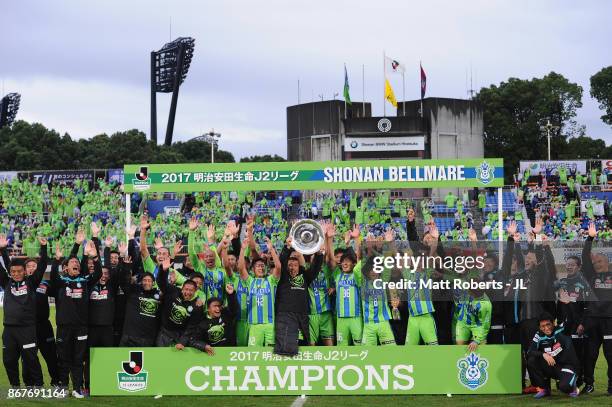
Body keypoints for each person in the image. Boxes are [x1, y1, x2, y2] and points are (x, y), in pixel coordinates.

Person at [51, 239, 102, 398]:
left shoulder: (85, 281)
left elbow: (98, 273)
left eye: (77, 262)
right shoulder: (61, 281)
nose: (76, 264)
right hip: (64, 327)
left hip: (81, 327)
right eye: (72, 262)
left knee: (78, 359)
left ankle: (77, 388)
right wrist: (57, 259)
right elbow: (53, 275)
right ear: (65, 268)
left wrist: (94, 257)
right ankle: (63, 387)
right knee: (63, 358)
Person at [0, 234, 46, 389]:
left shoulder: (31, 283)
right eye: (13, 272)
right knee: (8, 360)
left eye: (19, 271)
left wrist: (44, 248)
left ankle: (38, 385)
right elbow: (4, 266)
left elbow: (43, 265)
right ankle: (15, 385)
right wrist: (2, 249)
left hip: (27, 329)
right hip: (9, 329)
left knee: (30, 359)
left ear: (25, 272)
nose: (16, 274)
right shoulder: (7, 283)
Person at [274, 230, 324, 356]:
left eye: (295, 265)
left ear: (299, 266)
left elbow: (315, 268)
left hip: (302, 316)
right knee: (285, 348)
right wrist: (287, 247)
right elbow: (281, 261)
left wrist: (319, 254)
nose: (292, 267)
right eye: (290, 265)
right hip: (285, 315)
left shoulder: (305, 276)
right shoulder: (283, 277)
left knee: (302, 346)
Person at [581, 222, 612, 395]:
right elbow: (585, 257)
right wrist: (590, 238)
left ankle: (611, 386)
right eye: (596, 261)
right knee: (590, 355)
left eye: (600, 261)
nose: (597, 263)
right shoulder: (591, 275)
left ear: (607, 262)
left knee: (611, 355)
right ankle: (589, 384)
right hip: (592, 321)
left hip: (609, 321)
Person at [238, 227, 281, 347]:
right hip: (254, 324)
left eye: (263, 266)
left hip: (270, 324)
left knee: (271, 355)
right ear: (252, 269)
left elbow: (278, 267)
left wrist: (272, 250)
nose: (261, 268)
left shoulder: (271, 280)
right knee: (253, 355)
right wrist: (242, 250)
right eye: (258, 266)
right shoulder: (250, 281)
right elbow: (241, 268)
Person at [527, 313, 580, 398]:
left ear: (553, 323)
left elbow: (570, 319)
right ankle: (545, 389)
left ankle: (573, 388)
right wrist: (543, 354)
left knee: (564, 388)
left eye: (548, 324)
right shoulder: (539, 335)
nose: (546, 328)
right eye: (543, 326)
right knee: (532, 360)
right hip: (552, 366)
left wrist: (570, 303)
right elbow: (530, 351)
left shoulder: (562, 330)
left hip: (566, 366)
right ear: (539, 327)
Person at [177, 283, 239, 354]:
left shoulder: (226, 316)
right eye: (215, 306)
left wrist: (231, 295)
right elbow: (193, 340)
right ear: (208, 309)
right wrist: (204, 346)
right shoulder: (202, 323)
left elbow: (234, 309)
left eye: (219, 306)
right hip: (213, 356)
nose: (218, 308)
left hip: (230, 354)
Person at [155, 257, 203, 347]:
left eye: (191, 290)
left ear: (195, 291)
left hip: (180, 335)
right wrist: (163, 271)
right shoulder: (173, 291)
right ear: (182, 288)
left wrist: (182, 342)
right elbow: (161, 283)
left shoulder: (197, 305)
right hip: (165, 332)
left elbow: (191, 327)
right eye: (186, 289)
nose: (188, 292)